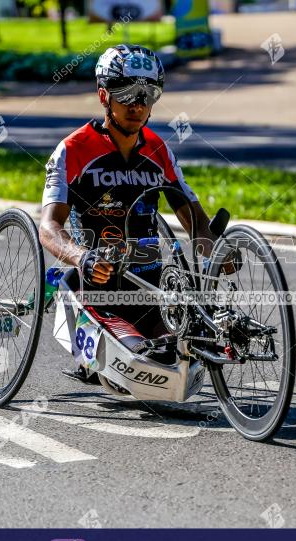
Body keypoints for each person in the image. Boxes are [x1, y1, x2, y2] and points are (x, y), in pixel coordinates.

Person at [39, 44, 220, 383]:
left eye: (148, 94)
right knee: (138, 363)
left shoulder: (158, 150)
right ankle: (97, 354)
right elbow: (48, 227)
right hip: (97, 287)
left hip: (150, 288)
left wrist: (215, 250)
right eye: (126, 94)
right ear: (103, 95)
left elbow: (195, 220)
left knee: (176, 352)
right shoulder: (73, 150)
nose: (138, 105)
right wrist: (82, 257)